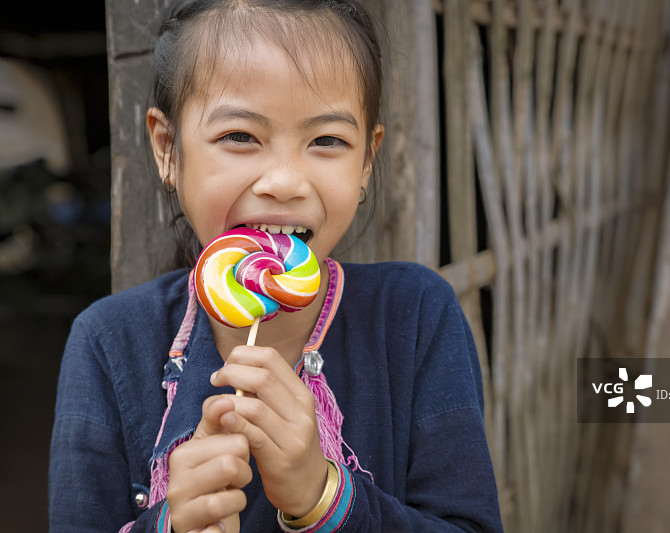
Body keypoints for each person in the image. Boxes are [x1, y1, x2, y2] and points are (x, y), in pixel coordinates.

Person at [49, 0, 503, 531]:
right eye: (240, 136)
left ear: (367, 161)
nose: (285, 181)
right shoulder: (107, 342)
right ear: (167, 148)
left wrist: (323, 497)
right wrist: (167, 525)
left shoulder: (416, 315)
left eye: (327, 140)